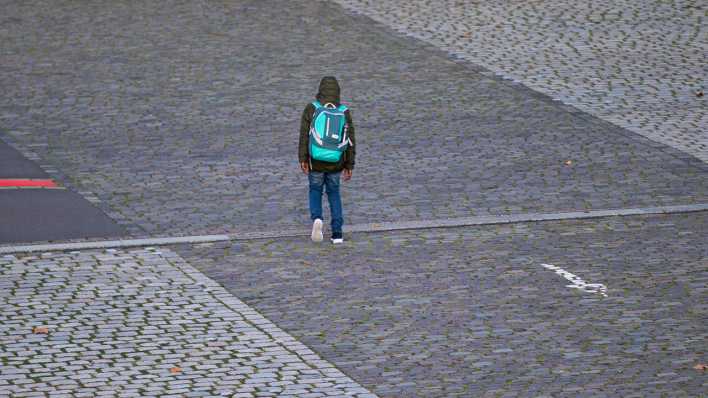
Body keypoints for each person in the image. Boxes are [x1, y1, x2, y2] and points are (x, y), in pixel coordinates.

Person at [298, 76, 356, 244]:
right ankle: (337, 233)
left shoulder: (311, 109)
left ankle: (317, 218)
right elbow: (350, 141)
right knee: (334, 193)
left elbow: (304, 137)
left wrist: (303, 158)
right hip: (336, 161)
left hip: (315, 161)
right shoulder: (344, 112)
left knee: (315, 190)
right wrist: (349, 164)